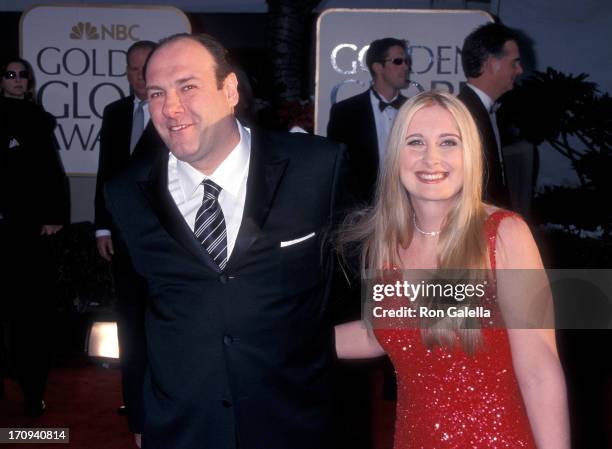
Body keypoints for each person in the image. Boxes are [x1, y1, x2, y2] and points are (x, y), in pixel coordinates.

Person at [103, 33, 349, 449]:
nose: (171, 107)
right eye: (158, 93)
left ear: (230, 90)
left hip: (294, 421)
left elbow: (356, 282)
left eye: (188, 87)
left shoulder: (317, 167)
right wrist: (141, 416)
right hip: (182, 425)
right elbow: (134, 312)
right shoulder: (126, 191)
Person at [335, 91, 569, 449]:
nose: (431, 158)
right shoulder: (387, 242)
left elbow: (539, 370)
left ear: (470, 154)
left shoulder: (503, 234)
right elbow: (385, 330)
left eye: (448, 142)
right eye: (415, 142)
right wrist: (282, 338)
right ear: (396, 154)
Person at [93, 40, 162, 441]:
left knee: (164, 323)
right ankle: (134, 406)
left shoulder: (172, 111)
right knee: (129, 325)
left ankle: (162, 398)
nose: (138, 77)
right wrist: (102, 227)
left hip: (164, 241)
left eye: (145, 69)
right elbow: (106, 172)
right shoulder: (115, 113)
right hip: (121, 238)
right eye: (132, 69)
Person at [0, 57, 69, 416]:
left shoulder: (39, 120)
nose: (17, 80)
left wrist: (54, 215)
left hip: (27, 233)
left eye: (22, 75)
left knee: (31, 316)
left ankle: (32, 392)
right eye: (10, 74)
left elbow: (51, 172)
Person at [327, 37, 410, 205]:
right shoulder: (345, 112)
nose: (405, 67)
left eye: (407, 61)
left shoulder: (415, 110)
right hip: (362, 209)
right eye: (398, 61)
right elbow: (337, 167)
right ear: (378, 67)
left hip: (408, 206)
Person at [458, 22, 523, 208]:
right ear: (492, 64)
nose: (520, 70)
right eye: (514, 62)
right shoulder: (461, 115)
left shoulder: (494, 112)